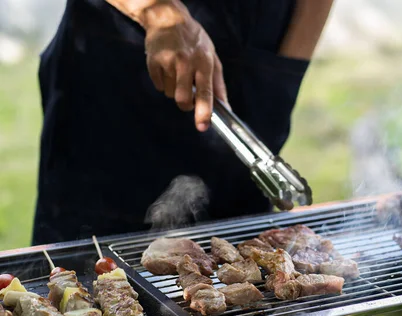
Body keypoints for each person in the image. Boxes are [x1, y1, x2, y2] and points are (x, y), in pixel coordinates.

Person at [32, 0, 334, 245]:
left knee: (244, 275)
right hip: (117, 63)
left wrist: (286, 68)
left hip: (260, 53)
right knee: (82, 276)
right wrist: (156, 9)